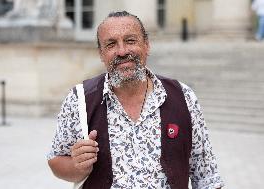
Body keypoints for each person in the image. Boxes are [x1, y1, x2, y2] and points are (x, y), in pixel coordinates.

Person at [47, 11, 224, 189]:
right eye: (111, 44)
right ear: (101, 54)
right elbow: (56, 159)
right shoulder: (79, 100)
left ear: (147, 45)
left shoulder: (183, 97)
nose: (122, 51)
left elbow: (207, 177)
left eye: (130, 41)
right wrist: (78, 167)